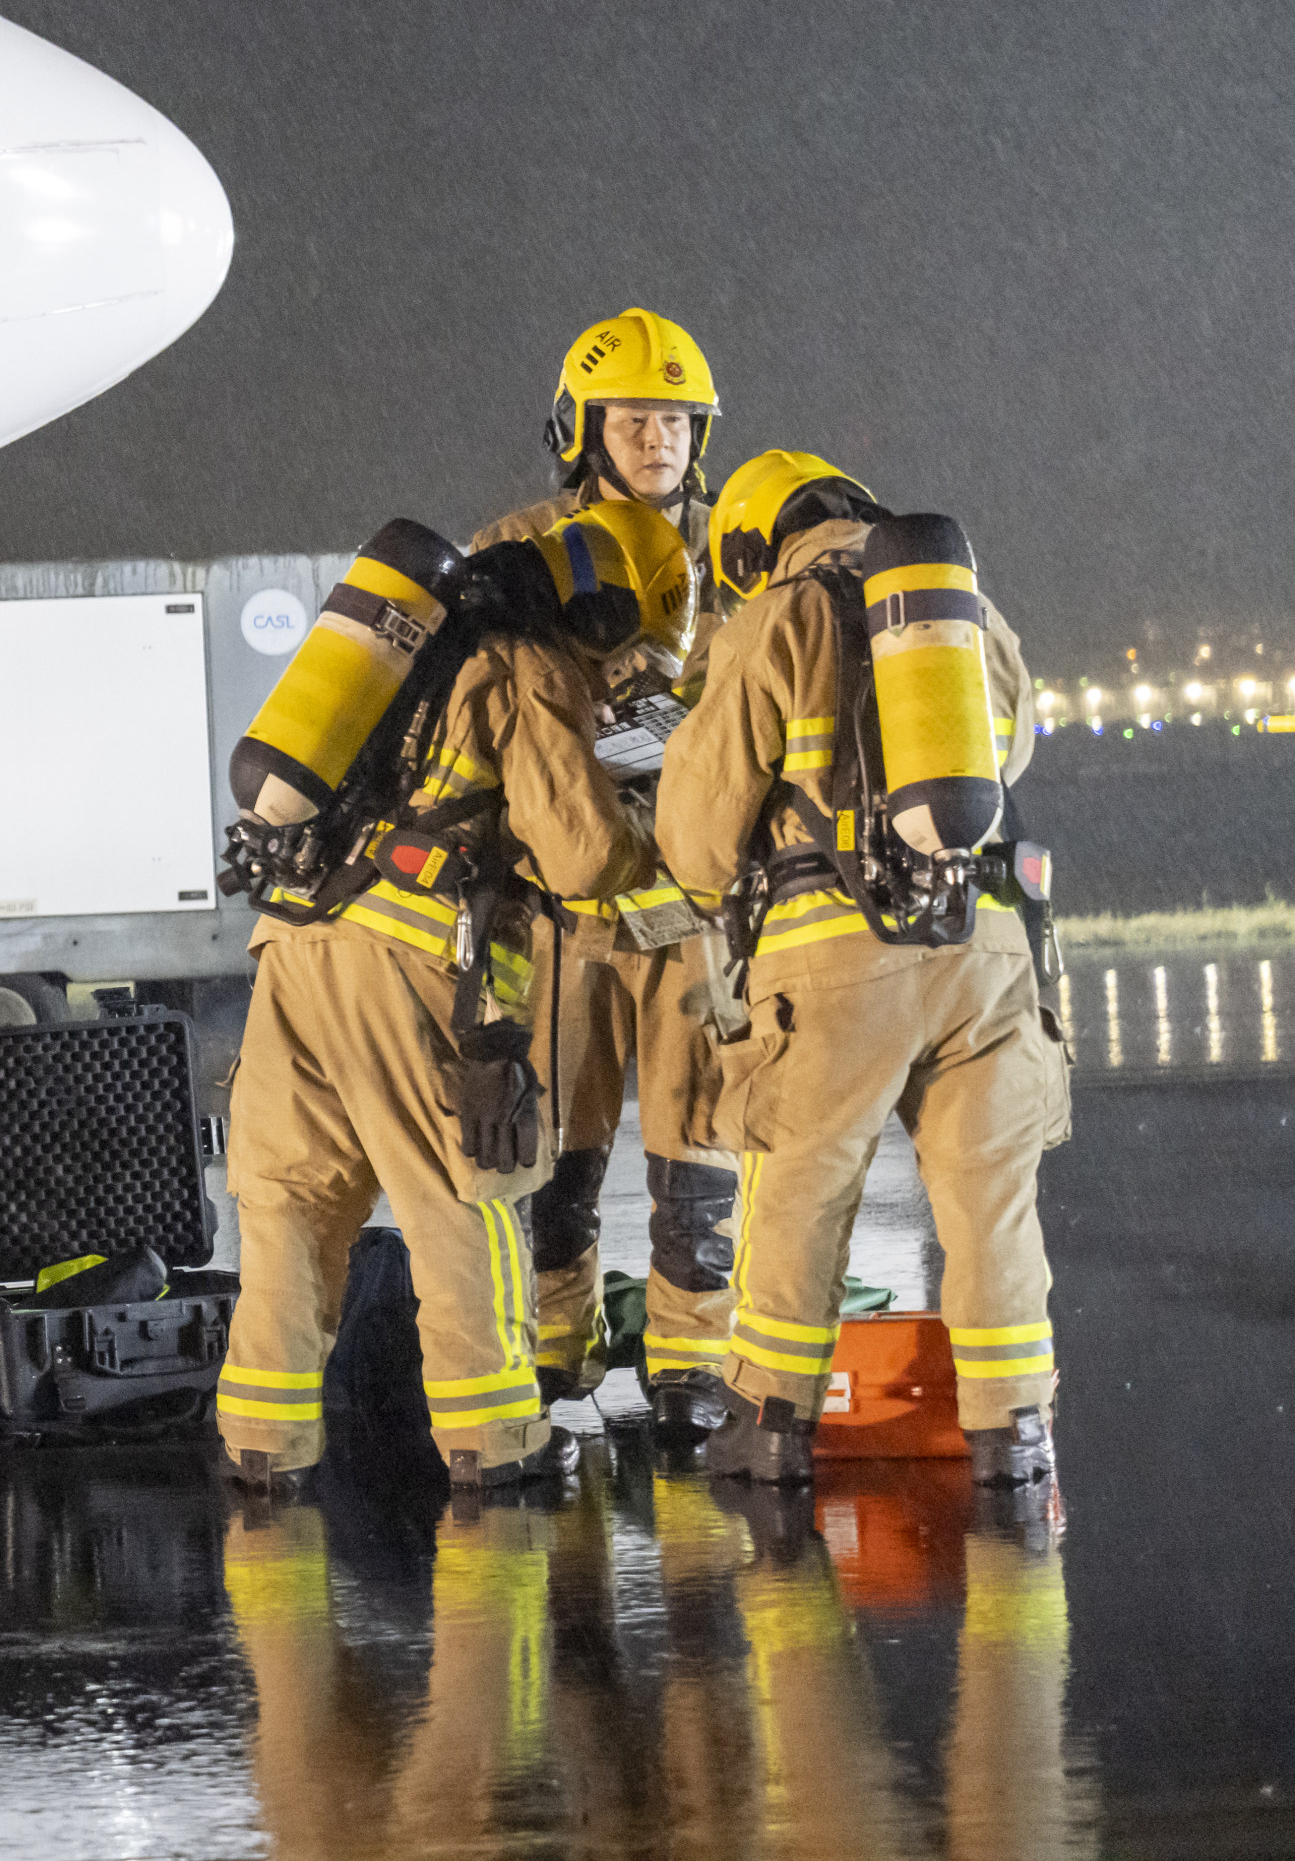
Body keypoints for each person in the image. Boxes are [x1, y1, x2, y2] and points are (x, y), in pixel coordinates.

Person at [213, 507, 668, 1501]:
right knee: (465, 1197)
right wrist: (643, 811)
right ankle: (496, 1440)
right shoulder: (526, 665)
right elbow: (582, 854)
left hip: (293, 947)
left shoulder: (407, 657)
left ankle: (262, 1443)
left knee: (291, 1205)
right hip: (411, 957)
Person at [658, 451, 1061, 1500]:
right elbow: (1011, 752)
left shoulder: (774, 617)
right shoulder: (966, 609)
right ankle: (1014, 1432)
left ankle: (771, 1427)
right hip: (982, 944)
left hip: (836, 962)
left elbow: (697, 833)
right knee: (990, 1203)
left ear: (752, 545)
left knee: (803, 1190)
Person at [467, 308, 742, 1442]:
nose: (657, 439)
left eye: (676, 420)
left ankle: (688, 1364)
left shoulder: (736, 550)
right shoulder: (521, 546)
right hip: (560, 908)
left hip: (691, 905)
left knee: (696, 1151)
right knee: (554, 1153)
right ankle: (555, 1347)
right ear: (580, 429)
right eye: (631, 419)